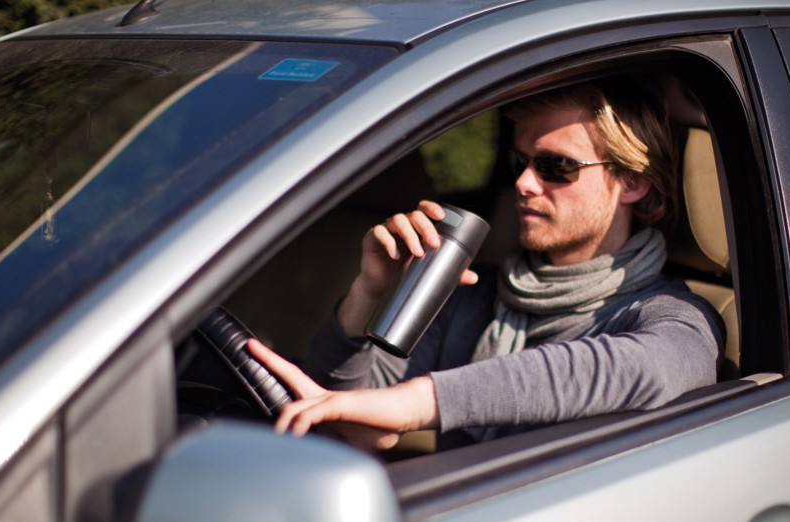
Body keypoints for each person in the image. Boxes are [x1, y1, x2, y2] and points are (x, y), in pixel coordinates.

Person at [247, 79, 724, 451]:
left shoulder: (674, 316)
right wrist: (370, 293)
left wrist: (418, 403)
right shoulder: (474, 296)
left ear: (633, 183)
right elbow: (350, 420)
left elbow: (643, 371)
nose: (523, 183)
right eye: (520, 162)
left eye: (556, 166)